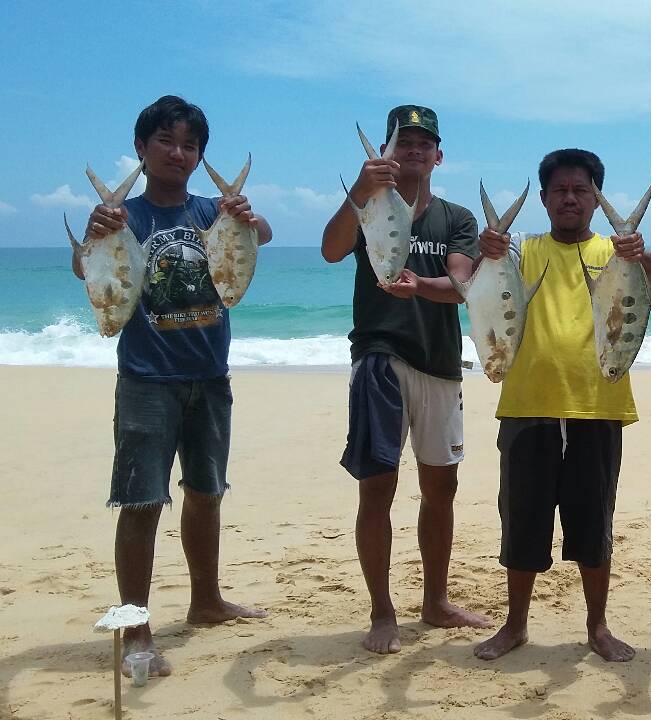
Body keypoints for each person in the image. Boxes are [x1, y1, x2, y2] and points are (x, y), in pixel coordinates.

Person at [73, 95, 272, 676]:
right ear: (141, 148)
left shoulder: (214, 212)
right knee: (140, 504)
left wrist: (248, 215)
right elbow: (88, 269)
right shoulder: (125, 218)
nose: (177, 153)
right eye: (165, 141)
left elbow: (261, 234)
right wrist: (92, 231)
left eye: (190, 145)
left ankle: (206, 601)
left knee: (206, 493)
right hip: (146, 381)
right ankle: (136, 628)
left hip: (210, 377)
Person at [472, 149, 651, 663]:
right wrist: (487, 248)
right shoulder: (523, 252)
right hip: (527, 407)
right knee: (522, 521)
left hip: (597, 408)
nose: (570, 198)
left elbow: (648, 288)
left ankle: (597, 627)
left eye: (581, 190)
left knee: (593, 524)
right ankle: (515, 625)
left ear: (597, 198)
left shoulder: (617, 252)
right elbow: (476, 285)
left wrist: (641, 256)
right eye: (560, 190)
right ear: (544, 198)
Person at [320, 105, 486, 655]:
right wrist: (359, 193)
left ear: (439, 155)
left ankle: (435, 602)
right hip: (379, 356)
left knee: (442, 489)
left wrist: (421, 286)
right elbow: (331, 249)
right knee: (379, 488)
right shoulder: (367, 203)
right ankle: (382, 612)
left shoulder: (457, 217)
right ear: (387, 152)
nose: (413, 150)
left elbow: (461, 283)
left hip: (440, 362)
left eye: (424, 143)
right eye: (403, 142)